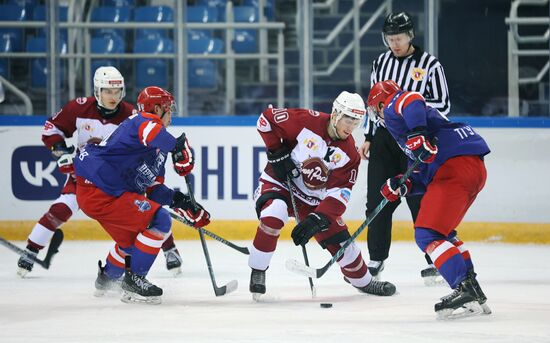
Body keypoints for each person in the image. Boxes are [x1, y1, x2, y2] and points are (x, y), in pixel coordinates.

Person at [16, 67, 185, 277]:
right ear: (97, 91)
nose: (112, 97)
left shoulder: (133, 115)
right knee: (61, 209)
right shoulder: (79, 108)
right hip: (84, 177)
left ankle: (169, 249)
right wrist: (60, 150)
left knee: (148, 214)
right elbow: (51, 128)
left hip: (117, 182)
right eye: (107, 91)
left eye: (117, 91)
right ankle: (31, 250)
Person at [248, 92, 396, 300]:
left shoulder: (350, 155)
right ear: (335, 114)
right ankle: (258, 271)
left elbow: (339, 194)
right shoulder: (305, 121)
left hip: (313, 202)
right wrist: (276, 152)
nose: (351, 128)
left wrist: (319, 218)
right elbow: (266, 120)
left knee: (345, 248)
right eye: (348, 120)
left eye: (356, 123)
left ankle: (364, 282)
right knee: (274, 213)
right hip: (281, 183)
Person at [366, 80, 491, 319]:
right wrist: (403, 185)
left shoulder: (395, 107)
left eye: (375, 109)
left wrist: (417, 133)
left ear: (380, 103)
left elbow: (411, 98)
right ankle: (471, 286)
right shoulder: (418, 130)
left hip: (454, 166)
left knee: (427, 234)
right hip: (469, 167)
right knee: (443, 233)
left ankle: (464, 289)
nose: (377, 115)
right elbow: (423, 174)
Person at [74, 86, 210, 304]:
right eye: (168, 109)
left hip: (103, 192)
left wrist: (182, 202)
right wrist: (177, 147)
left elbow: (153, 189)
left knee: (132, 244)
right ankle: (135, 279)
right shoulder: (143, 121)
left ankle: (108, 278)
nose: (171, 114)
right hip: (103, 189)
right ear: (156, 108)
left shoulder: (159, 149)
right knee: (160, 220)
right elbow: (152, 132)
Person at [359, 12, 451, 285]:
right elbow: (372, 104)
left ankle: (436, 257)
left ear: (410, 36)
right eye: (389, 38)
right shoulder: (381, 61)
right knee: (377, 199)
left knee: (421, 200)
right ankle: (376, 259)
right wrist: (369, 136)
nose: (394, 43)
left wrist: (413, 116)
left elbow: (444, 105)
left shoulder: (430, 65)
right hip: (386, 140)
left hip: (415, 141)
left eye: (398, 38)